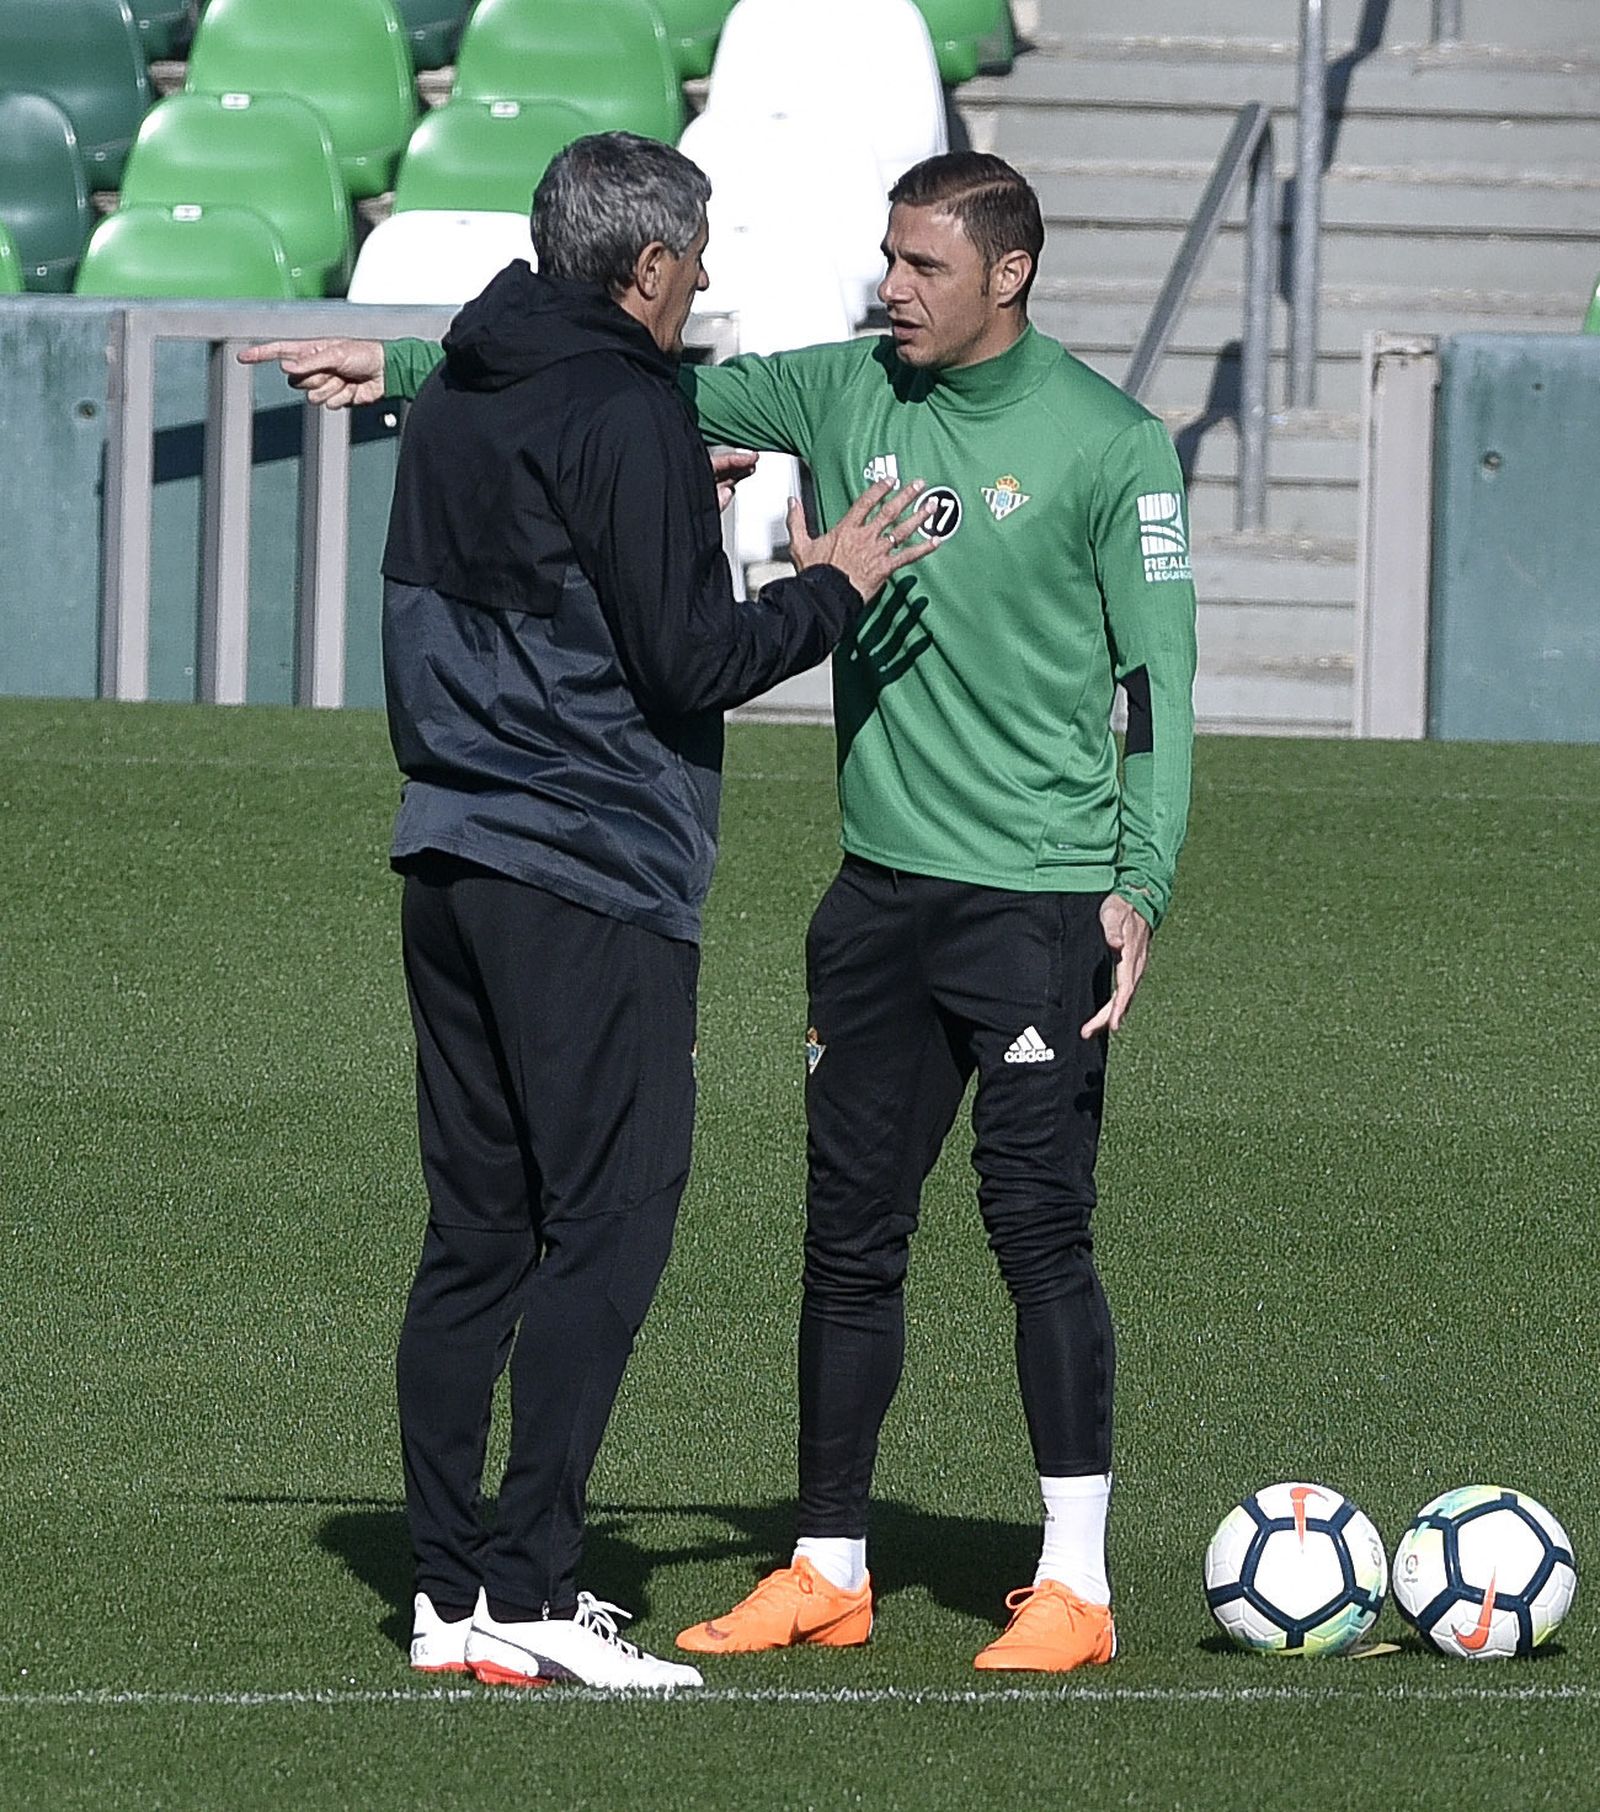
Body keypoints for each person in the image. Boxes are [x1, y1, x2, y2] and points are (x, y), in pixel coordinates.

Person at [246, 149, 1198, 1674]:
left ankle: (1071, 1581)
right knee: (845, 1241)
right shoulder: (837, 388)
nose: (891, 288)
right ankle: (828, 1563)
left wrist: (1139, 883)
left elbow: (1156, 692)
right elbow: (606, 395)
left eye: (922, 267)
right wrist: (409, 365)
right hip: (874, 895)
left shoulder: (1113, 444)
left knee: (1038, 1233)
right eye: (889, 259)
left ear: (1008, 273)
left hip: (1037, 897)